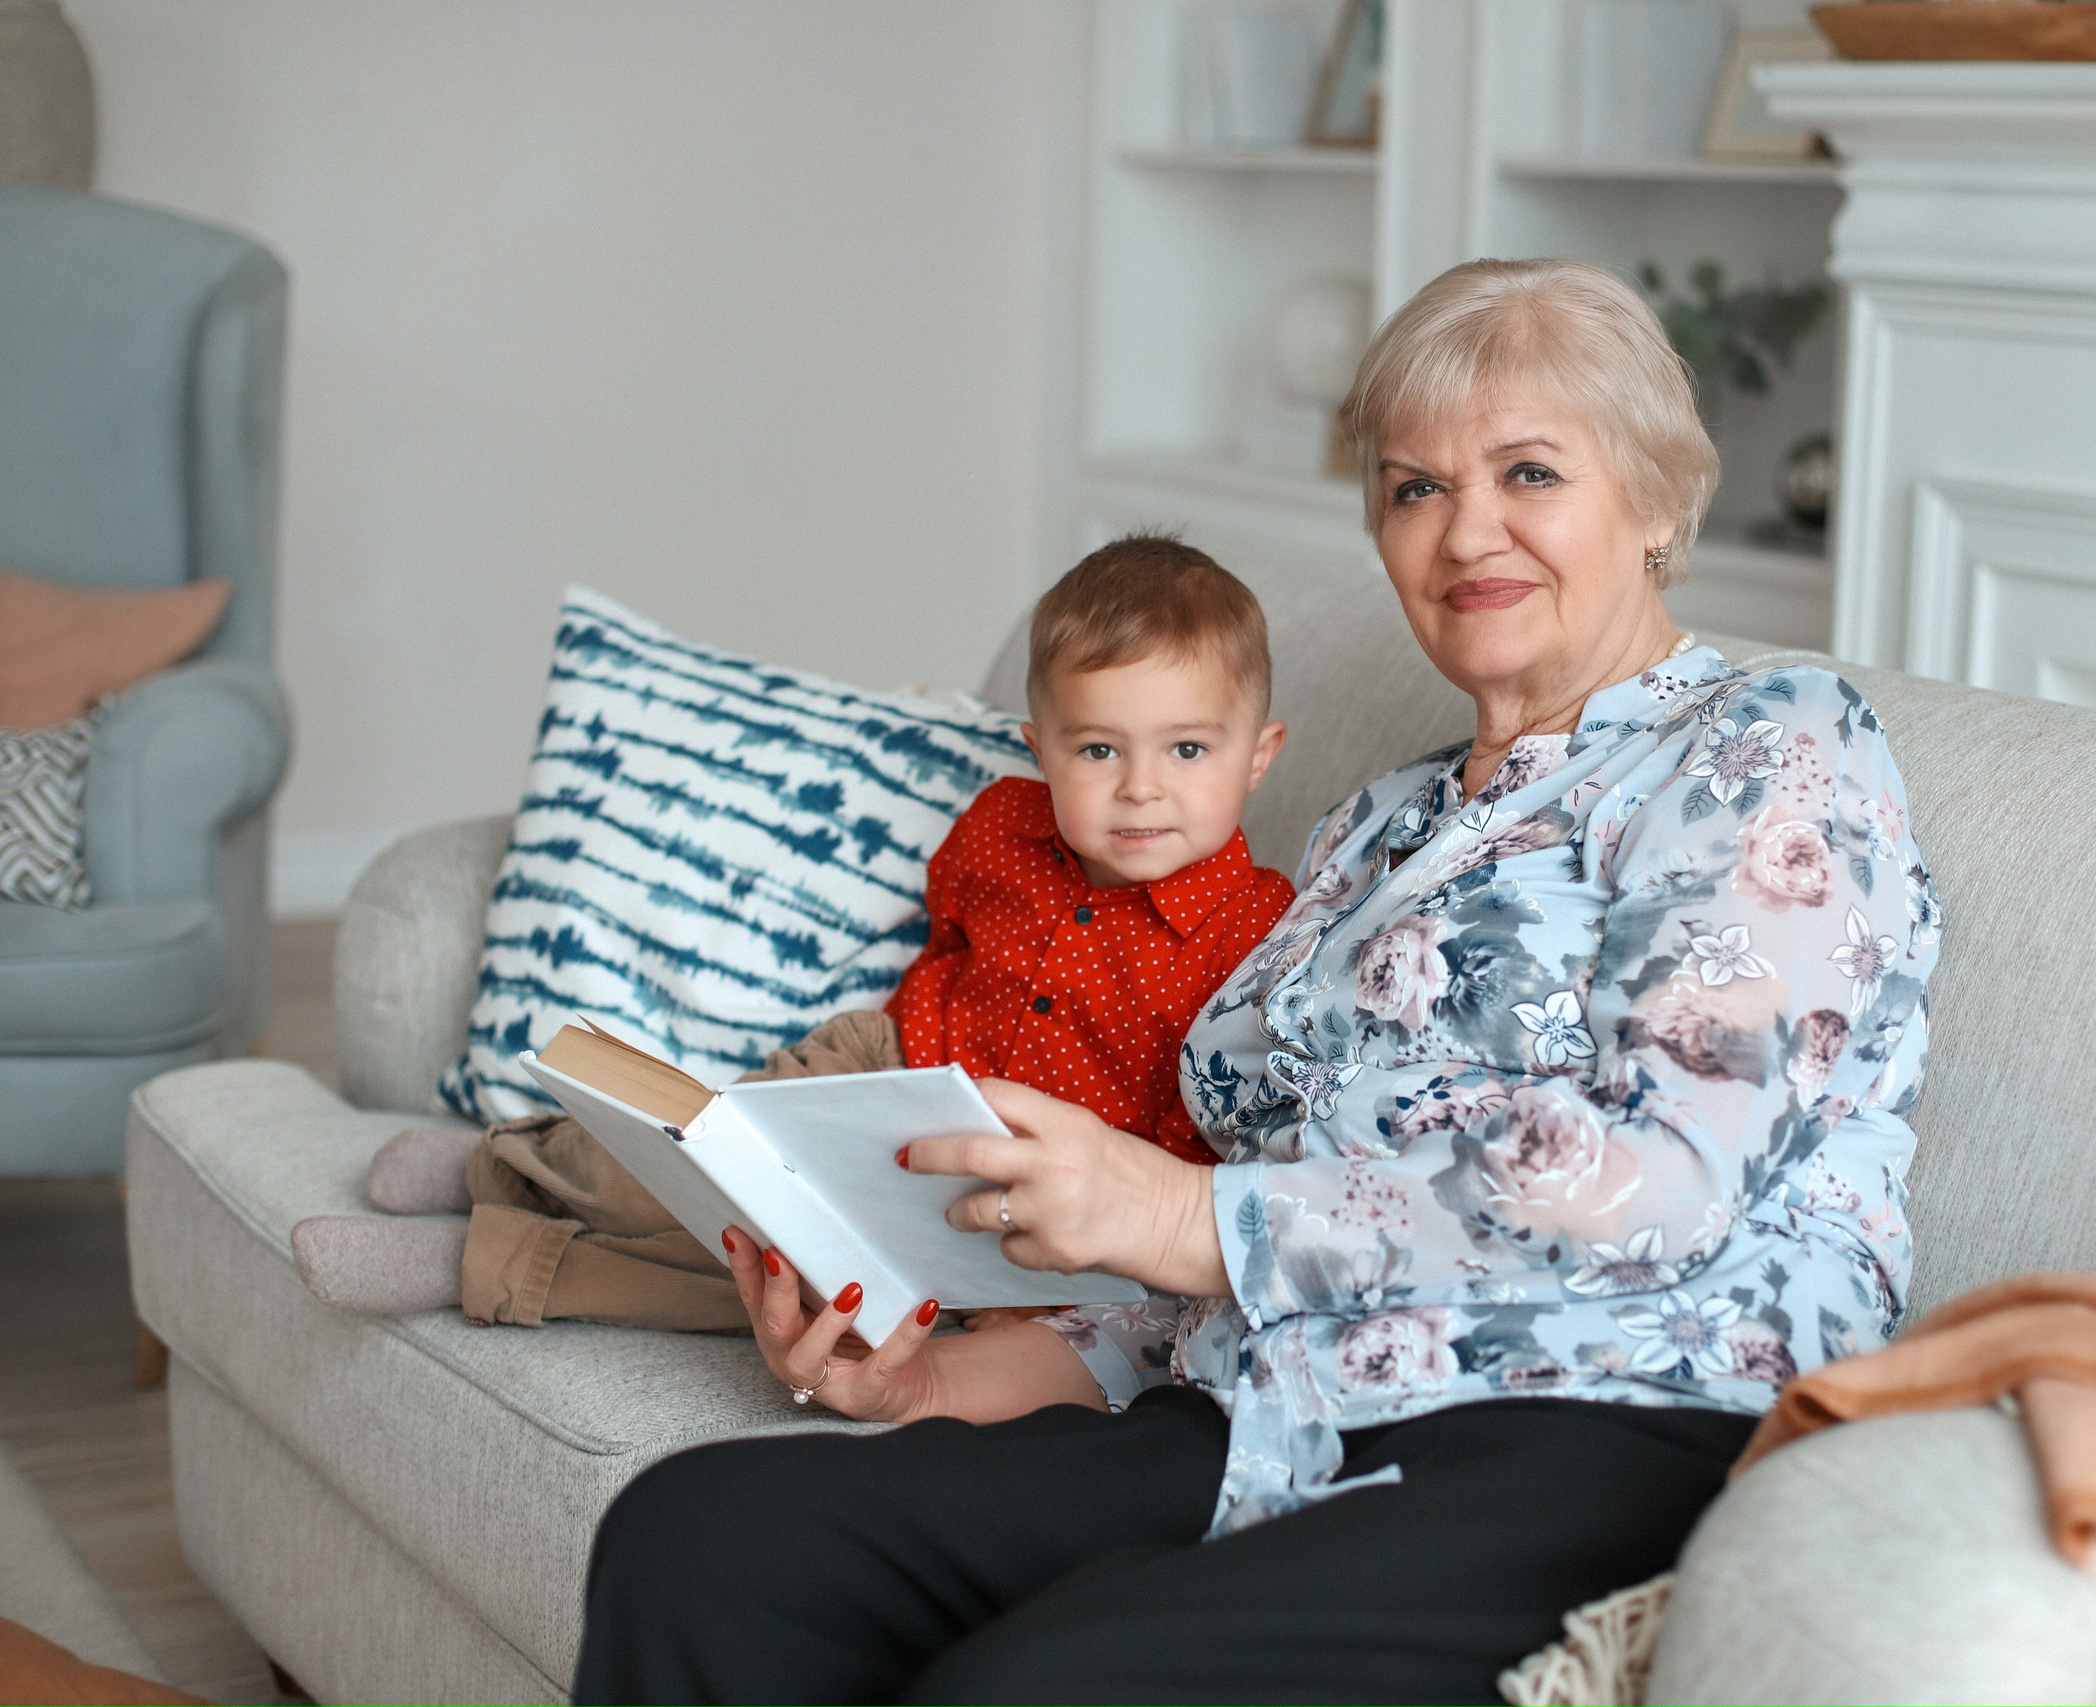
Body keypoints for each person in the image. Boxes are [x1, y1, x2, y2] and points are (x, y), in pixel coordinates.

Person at [573, 257, 1946, 1705]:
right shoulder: (1375, 828)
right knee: (699, 1541)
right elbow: (1210, 1256)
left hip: (1597, 1425)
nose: (1465, 529)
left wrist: (1184, 1214)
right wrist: (928, 1381)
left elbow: (1664, 1172)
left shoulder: (1766, 742)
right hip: (1261, 1413)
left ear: (1658, 500)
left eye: (1528, 472)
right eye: (1414, 487)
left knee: (1034, 1689)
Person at [286, 536, 1296, 1334]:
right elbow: (950, 933)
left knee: (797, 1284)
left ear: (1258, 757)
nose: (1141, 788)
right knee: (700, 1158)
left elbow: (1197, 1145)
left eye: (1187, 749)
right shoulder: (999, 825)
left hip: (1033, 1195)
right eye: (1100, 749)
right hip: (887, 1071)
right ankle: (502, 1166)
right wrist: (877, 1065)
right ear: (1041, 749)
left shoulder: (1260, 931)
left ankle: (486, 1263)